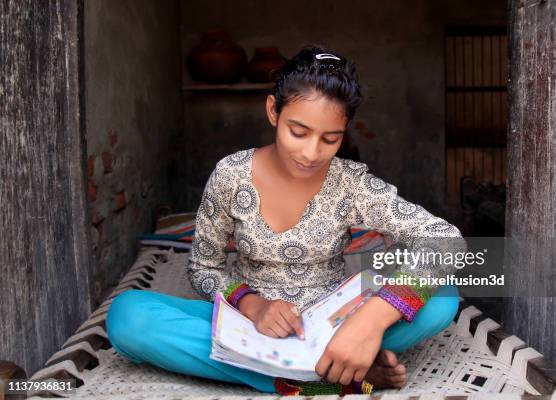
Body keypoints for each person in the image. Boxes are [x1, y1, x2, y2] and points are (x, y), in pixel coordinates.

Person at [106, 45, 464, 396]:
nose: (311, 153)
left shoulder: (352, 184)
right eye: (298, 131)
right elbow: (203, 268)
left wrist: (368, 322)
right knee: (128, 316)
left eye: (330, 139)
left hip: (336, 326)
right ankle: (341, 377)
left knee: (442, 299)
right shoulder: (231, 175)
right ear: (273, 111)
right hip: (248, 326)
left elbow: (447, 240)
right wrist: (254, 306)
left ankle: (337, 359)